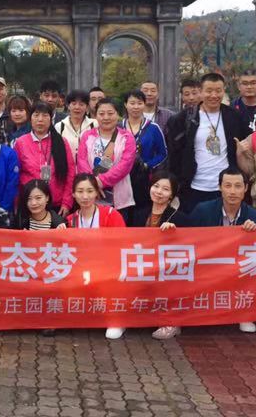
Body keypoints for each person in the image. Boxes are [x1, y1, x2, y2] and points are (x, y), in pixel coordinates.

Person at [172, 168, 256, 334]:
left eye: (238, 186)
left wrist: (253, 232)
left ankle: (244, 313)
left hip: (237, 270)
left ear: (246, 188)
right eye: (227, 186)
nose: (232, 191)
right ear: (220, 187)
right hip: (206, 267)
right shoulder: (202, 210)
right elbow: (187, 240)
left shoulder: (254, 216)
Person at [167, 72, 251, 213]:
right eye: (209, 91)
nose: (214, 95)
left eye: (218, 91)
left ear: (224, 91)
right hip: (193, 187)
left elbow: (248, 140)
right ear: (200, 91)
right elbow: (174, 155)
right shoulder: (183, 118)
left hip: (225, 187)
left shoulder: (233, 116)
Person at [125, 171, 186, 340]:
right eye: (156, 186)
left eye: (165, 189)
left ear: (171, 195)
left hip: (166, 268)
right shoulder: (138, 213)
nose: (159, 192)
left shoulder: (178, 217)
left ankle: (171, 322)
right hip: (141, 264)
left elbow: (187, 246)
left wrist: (174, 233)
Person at [64, 174, 126, 339]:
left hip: (108, 267)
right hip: (81, 269)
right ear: (73, 194)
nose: (85, 196)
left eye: (90, 191)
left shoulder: (111, 214)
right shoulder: (70, 220)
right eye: (80, 191)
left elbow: (122, 245)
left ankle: (116, 319)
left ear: (97, 193)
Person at [77, 98, 137, 217]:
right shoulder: (87, 136)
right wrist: (92, 183)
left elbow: (125, 165)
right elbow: (81, 161)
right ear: (95, 115)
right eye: (101, 113)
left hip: (119, 198)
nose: (106, 117)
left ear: (118, 115)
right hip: (90, 196)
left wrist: (100, 182)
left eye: (110, 113)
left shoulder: (126, 137)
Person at [14, 102, 75, 216]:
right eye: (36, 115)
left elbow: (70, 173)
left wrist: (67, 202)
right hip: (30, 204)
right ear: (30, 118)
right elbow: (16, 175)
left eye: (45, 115)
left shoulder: (61, 142)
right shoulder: (21, 143)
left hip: (56, 204)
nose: (40, 119)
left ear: (51, 119)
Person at [120, 90, 168, 213]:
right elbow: (109, 154)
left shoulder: (153, 128)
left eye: (139, 103)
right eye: (132, 103)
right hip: (121, 179)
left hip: (144, 178)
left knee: (141, 212)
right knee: (123, 213)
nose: (136, 107)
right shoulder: (118, 127)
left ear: (144, 104)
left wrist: (148, 165)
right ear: (125, 104)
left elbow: (163, 153)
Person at [55, 90, 97, 159]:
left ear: (87, 107)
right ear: (68, 106)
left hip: (89, 165)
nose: (77, 107)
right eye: (74, 104)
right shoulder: (59, 126)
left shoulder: (94, 124)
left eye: (81, 104)